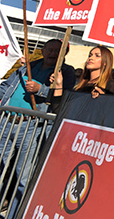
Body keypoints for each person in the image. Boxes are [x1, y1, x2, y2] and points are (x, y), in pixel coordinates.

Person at [0, 39, 75, 219]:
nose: (52, 53)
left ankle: (15, 215)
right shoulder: (28, 66)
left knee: (23, 176)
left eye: (57, 50)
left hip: (31, 126)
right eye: (50, 49)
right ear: (42, 51)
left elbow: (64, 97)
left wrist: (41, 88)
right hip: (7, 121)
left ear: (64, 53)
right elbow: (6, 86)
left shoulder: (66, 72)